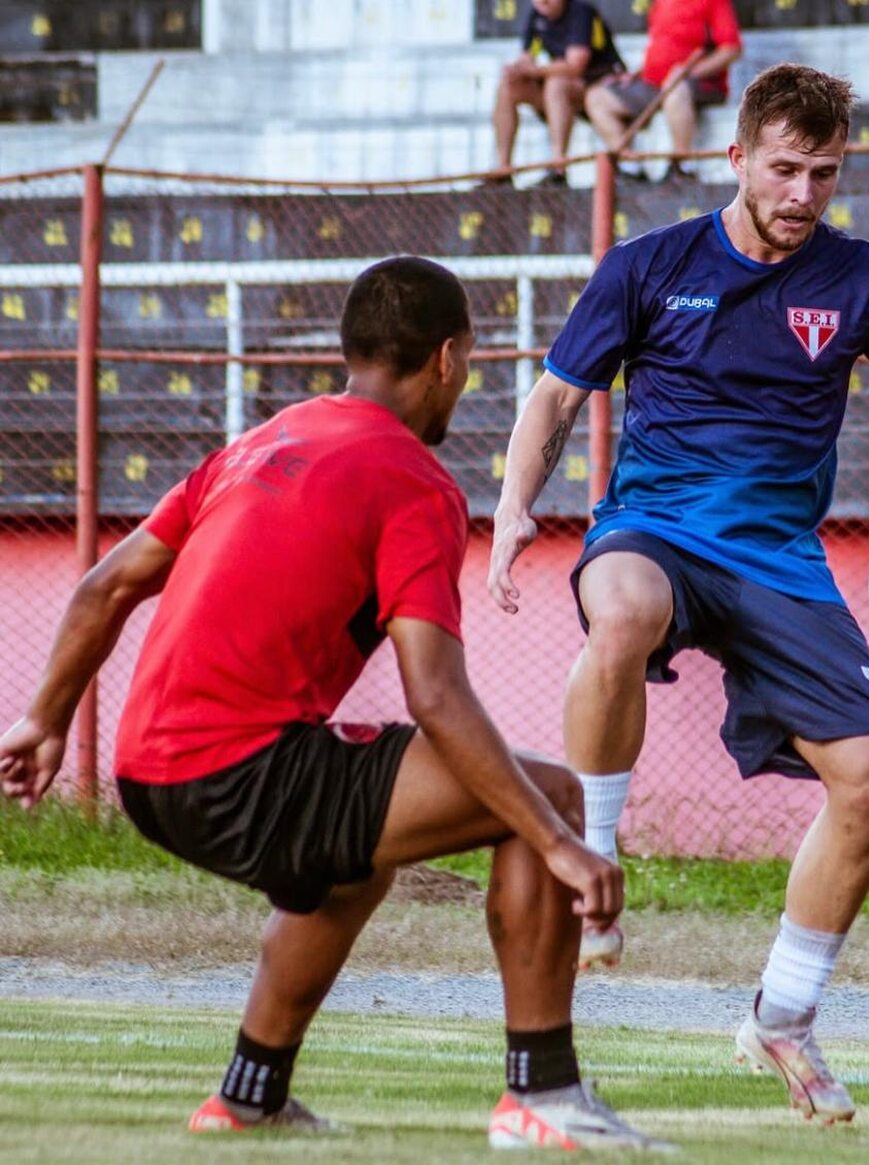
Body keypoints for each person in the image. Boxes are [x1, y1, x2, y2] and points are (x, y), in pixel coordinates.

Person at [488, 64, 869, 1124]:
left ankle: (782, 1017)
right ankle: (594, 860)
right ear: (736, 158)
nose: (803, 194)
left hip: (779, 560)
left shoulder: (863, 278)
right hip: (653, 528)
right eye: (785, 169)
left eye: (824, 174)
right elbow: (555, 398)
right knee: (617, 613)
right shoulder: (646, 266)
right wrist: (515, 506)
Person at [0, 256, 671, 1152]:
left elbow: (104, 586)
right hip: (240, 769)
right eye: (464, 367)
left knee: (356, 848)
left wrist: (43, 719)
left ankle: (249, 1093)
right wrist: (562, 844)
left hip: (146, 771)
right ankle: (543, 1095)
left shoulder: (259, 442)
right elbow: (436, 693)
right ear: (447, 359)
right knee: (545, 795)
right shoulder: (415, 483)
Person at [585, 0, 741, 184]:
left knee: (675, 89)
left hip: (699, 83)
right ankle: (631, 168)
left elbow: (731, 49)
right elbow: (665, 48)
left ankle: (681, 165)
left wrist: (690, 72)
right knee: (597, 97)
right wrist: (638, 73)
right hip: (653, 84)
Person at [490, 0, 626, 187]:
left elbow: (575, 65)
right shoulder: (537, 15)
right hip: (562, 91)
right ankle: (503, 169)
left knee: (557, 85)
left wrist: (534, 71)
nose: (543, 1)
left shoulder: (581, 11)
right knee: (509, 86)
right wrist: (517, 69)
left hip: (598, 86)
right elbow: (527, 57)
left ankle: (558, 166)